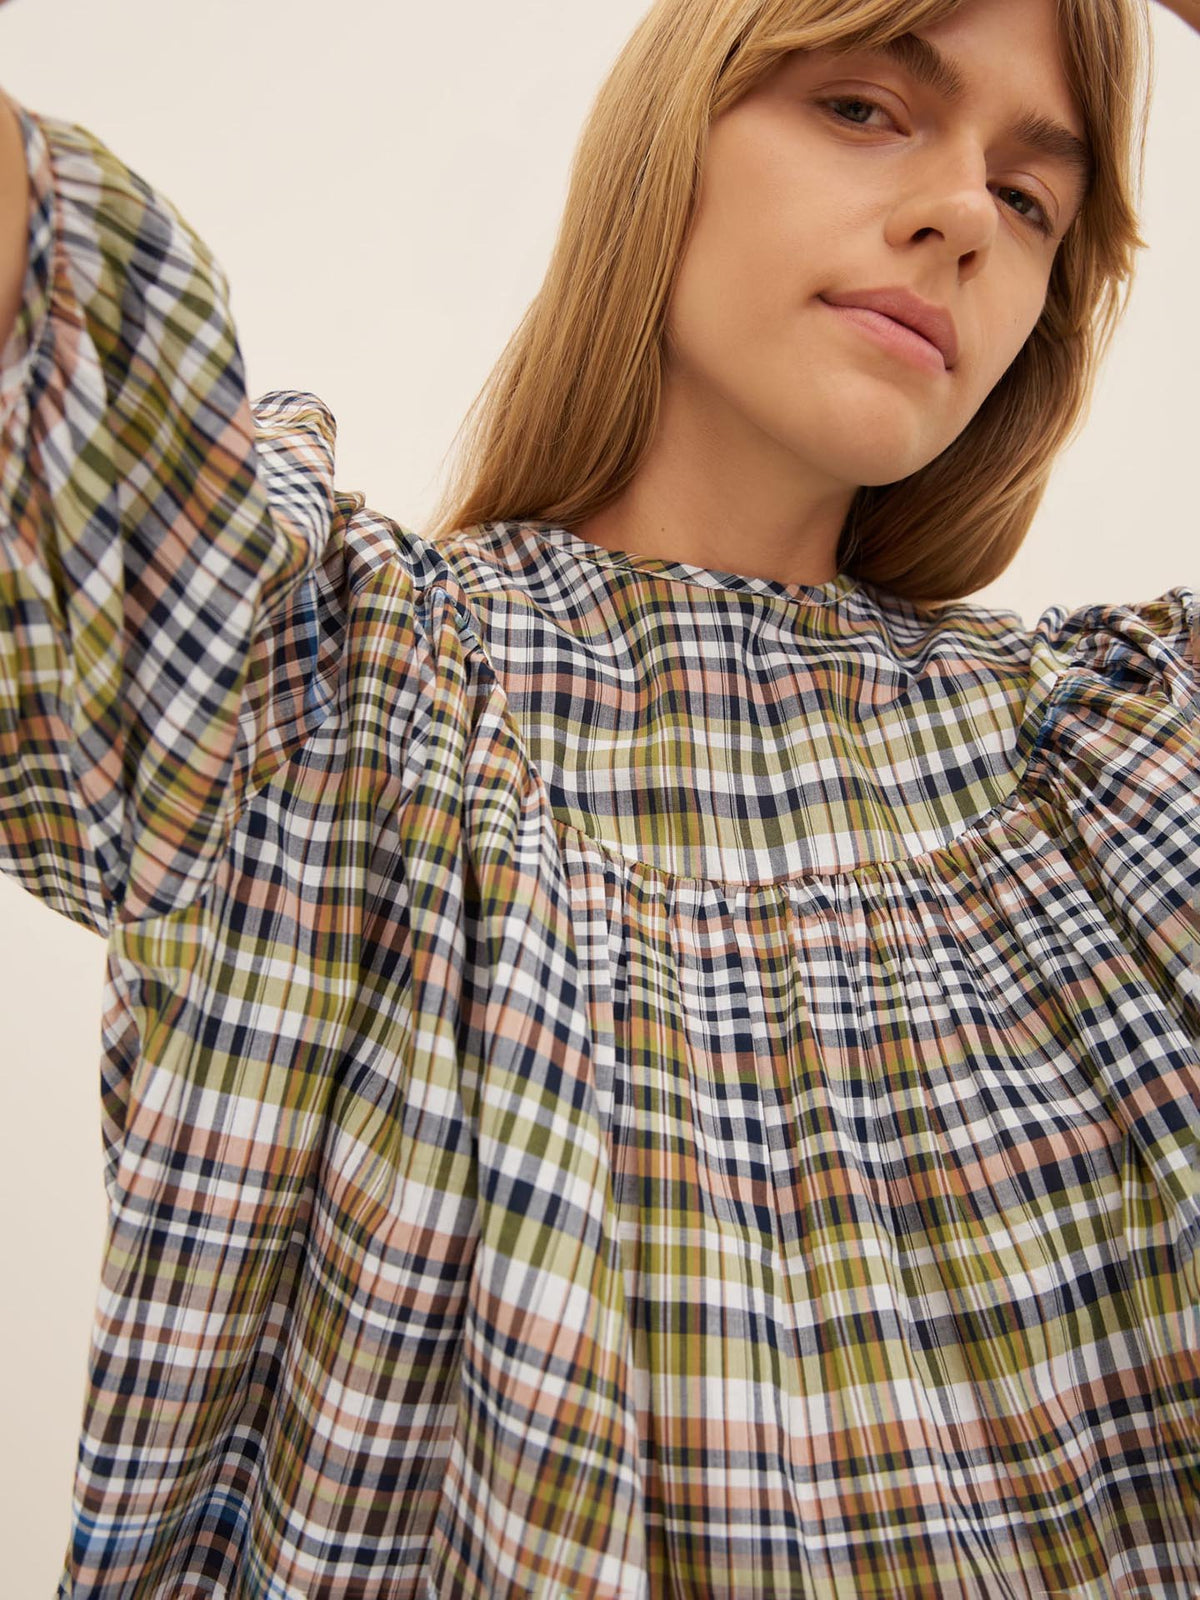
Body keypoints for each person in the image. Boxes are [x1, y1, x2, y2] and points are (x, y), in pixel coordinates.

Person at [0, 0, 1196, 1595]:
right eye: (860, 105)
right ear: (669, 143)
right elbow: (58, 336)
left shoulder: (1113, 776)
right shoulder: (320, 693)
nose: (965, 216)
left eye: (1032, 198)